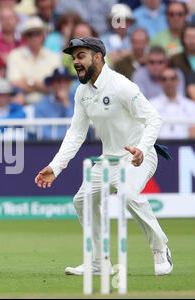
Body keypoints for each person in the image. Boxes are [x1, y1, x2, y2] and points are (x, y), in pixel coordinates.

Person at [34, 37, 173, 277]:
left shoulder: (122, 86)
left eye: (81, 56)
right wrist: (56, 167)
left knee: (128, 193)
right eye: (74, 57)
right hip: (109, 160)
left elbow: (154, 119)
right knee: (82, 200)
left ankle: (160, 248)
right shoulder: (81, 92)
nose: (76, 62)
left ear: (98, 57)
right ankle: (99, 262)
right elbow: (76, 133)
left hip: (140, 155)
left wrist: (141, 147)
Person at [6, 16, 61, 105]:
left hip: (50, 105)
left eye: (38, 33)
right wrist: (43, 85)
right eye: (30, 34)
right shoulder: (14, 55)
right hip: (24, 105)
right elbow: (14, 84)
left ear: (43, 35)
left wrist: (29, 82)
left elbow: (56, 87)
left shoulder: (54, 56)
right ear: (25, 37)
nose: (34, 37)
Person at [150, 66, 195, 139]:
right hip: (159, 147)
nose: (169, 82)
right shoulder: (151, 105)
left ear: (178, 81)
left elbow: (193, 133)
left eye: (172, 78)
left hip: (185, 147)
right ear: (160, 82)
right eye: (164, 79)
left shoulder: (190, 105)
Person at [34, 67, 75, 140]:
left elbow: (79, 126)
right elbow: (42, 131)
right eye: (58, 81)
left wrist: (66, 102)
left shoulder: (77, 100)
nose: (62, 85)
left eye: (66, 81)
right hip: (50, 146)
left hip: (74, 145)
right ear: (52, 83)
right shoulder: (41, 105)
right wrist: (62, 137)